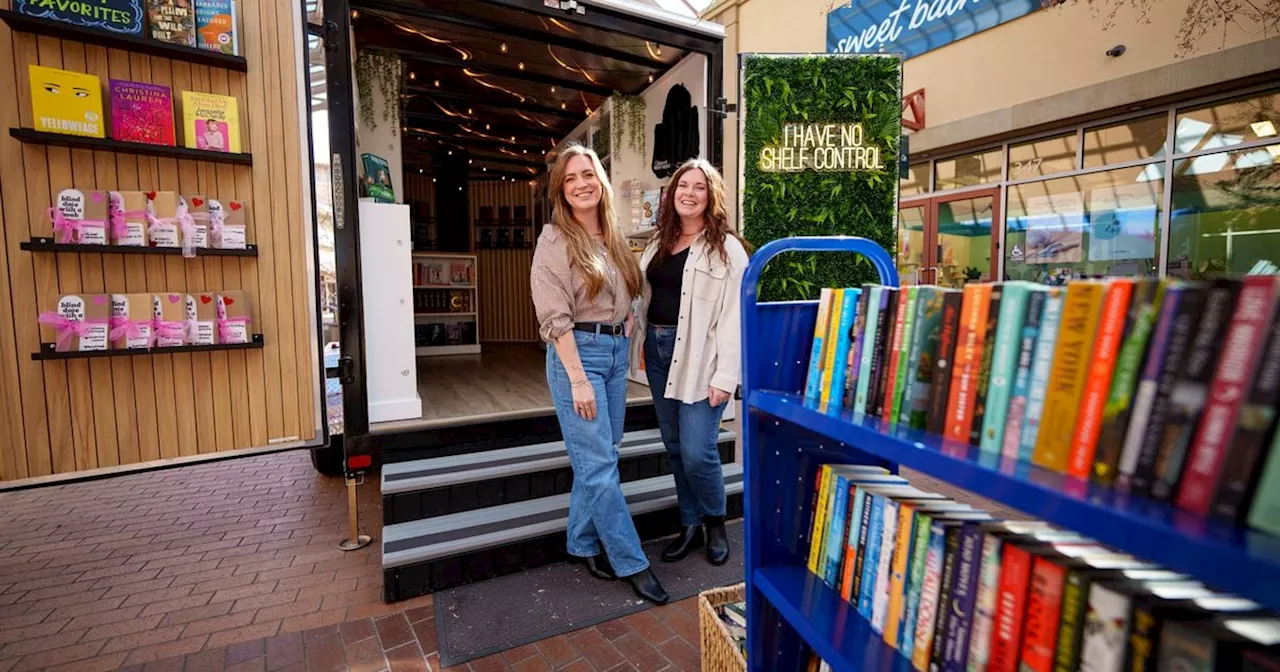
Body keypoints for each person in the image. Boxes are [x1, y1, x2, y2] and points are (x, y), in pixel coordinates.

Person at [530, 144, 670, 605]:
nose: (581, 183)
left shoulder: (612, 237)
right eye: (570, 179)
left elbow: (630, 288)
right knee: (602, 467)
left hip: (612, 354)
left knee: (600, 456)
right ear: (561, 191)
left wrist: (627, 316)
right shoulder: (554, 239)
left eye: (587, 174)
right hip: (579, 357)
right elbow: (554, 316)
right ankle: (632, 560)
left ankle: (581, 541)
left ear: (601, 181)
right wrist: (577, 379)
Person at [632, 159, 748, 566]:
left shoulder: (727, 248)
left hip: (703, 360)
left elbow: (735, 316)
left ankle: (716, 521)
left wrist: (726, 376)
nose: (690, 193)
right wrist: (641, 345)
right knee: (676, 447)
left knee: (699, 450)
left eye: (699, 187)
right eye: (683, 185)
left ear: (711, 196)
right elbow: (643, 297)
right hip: (660, 353)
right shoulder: (656, 243)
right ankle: (689, 524)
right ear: (672, 194)